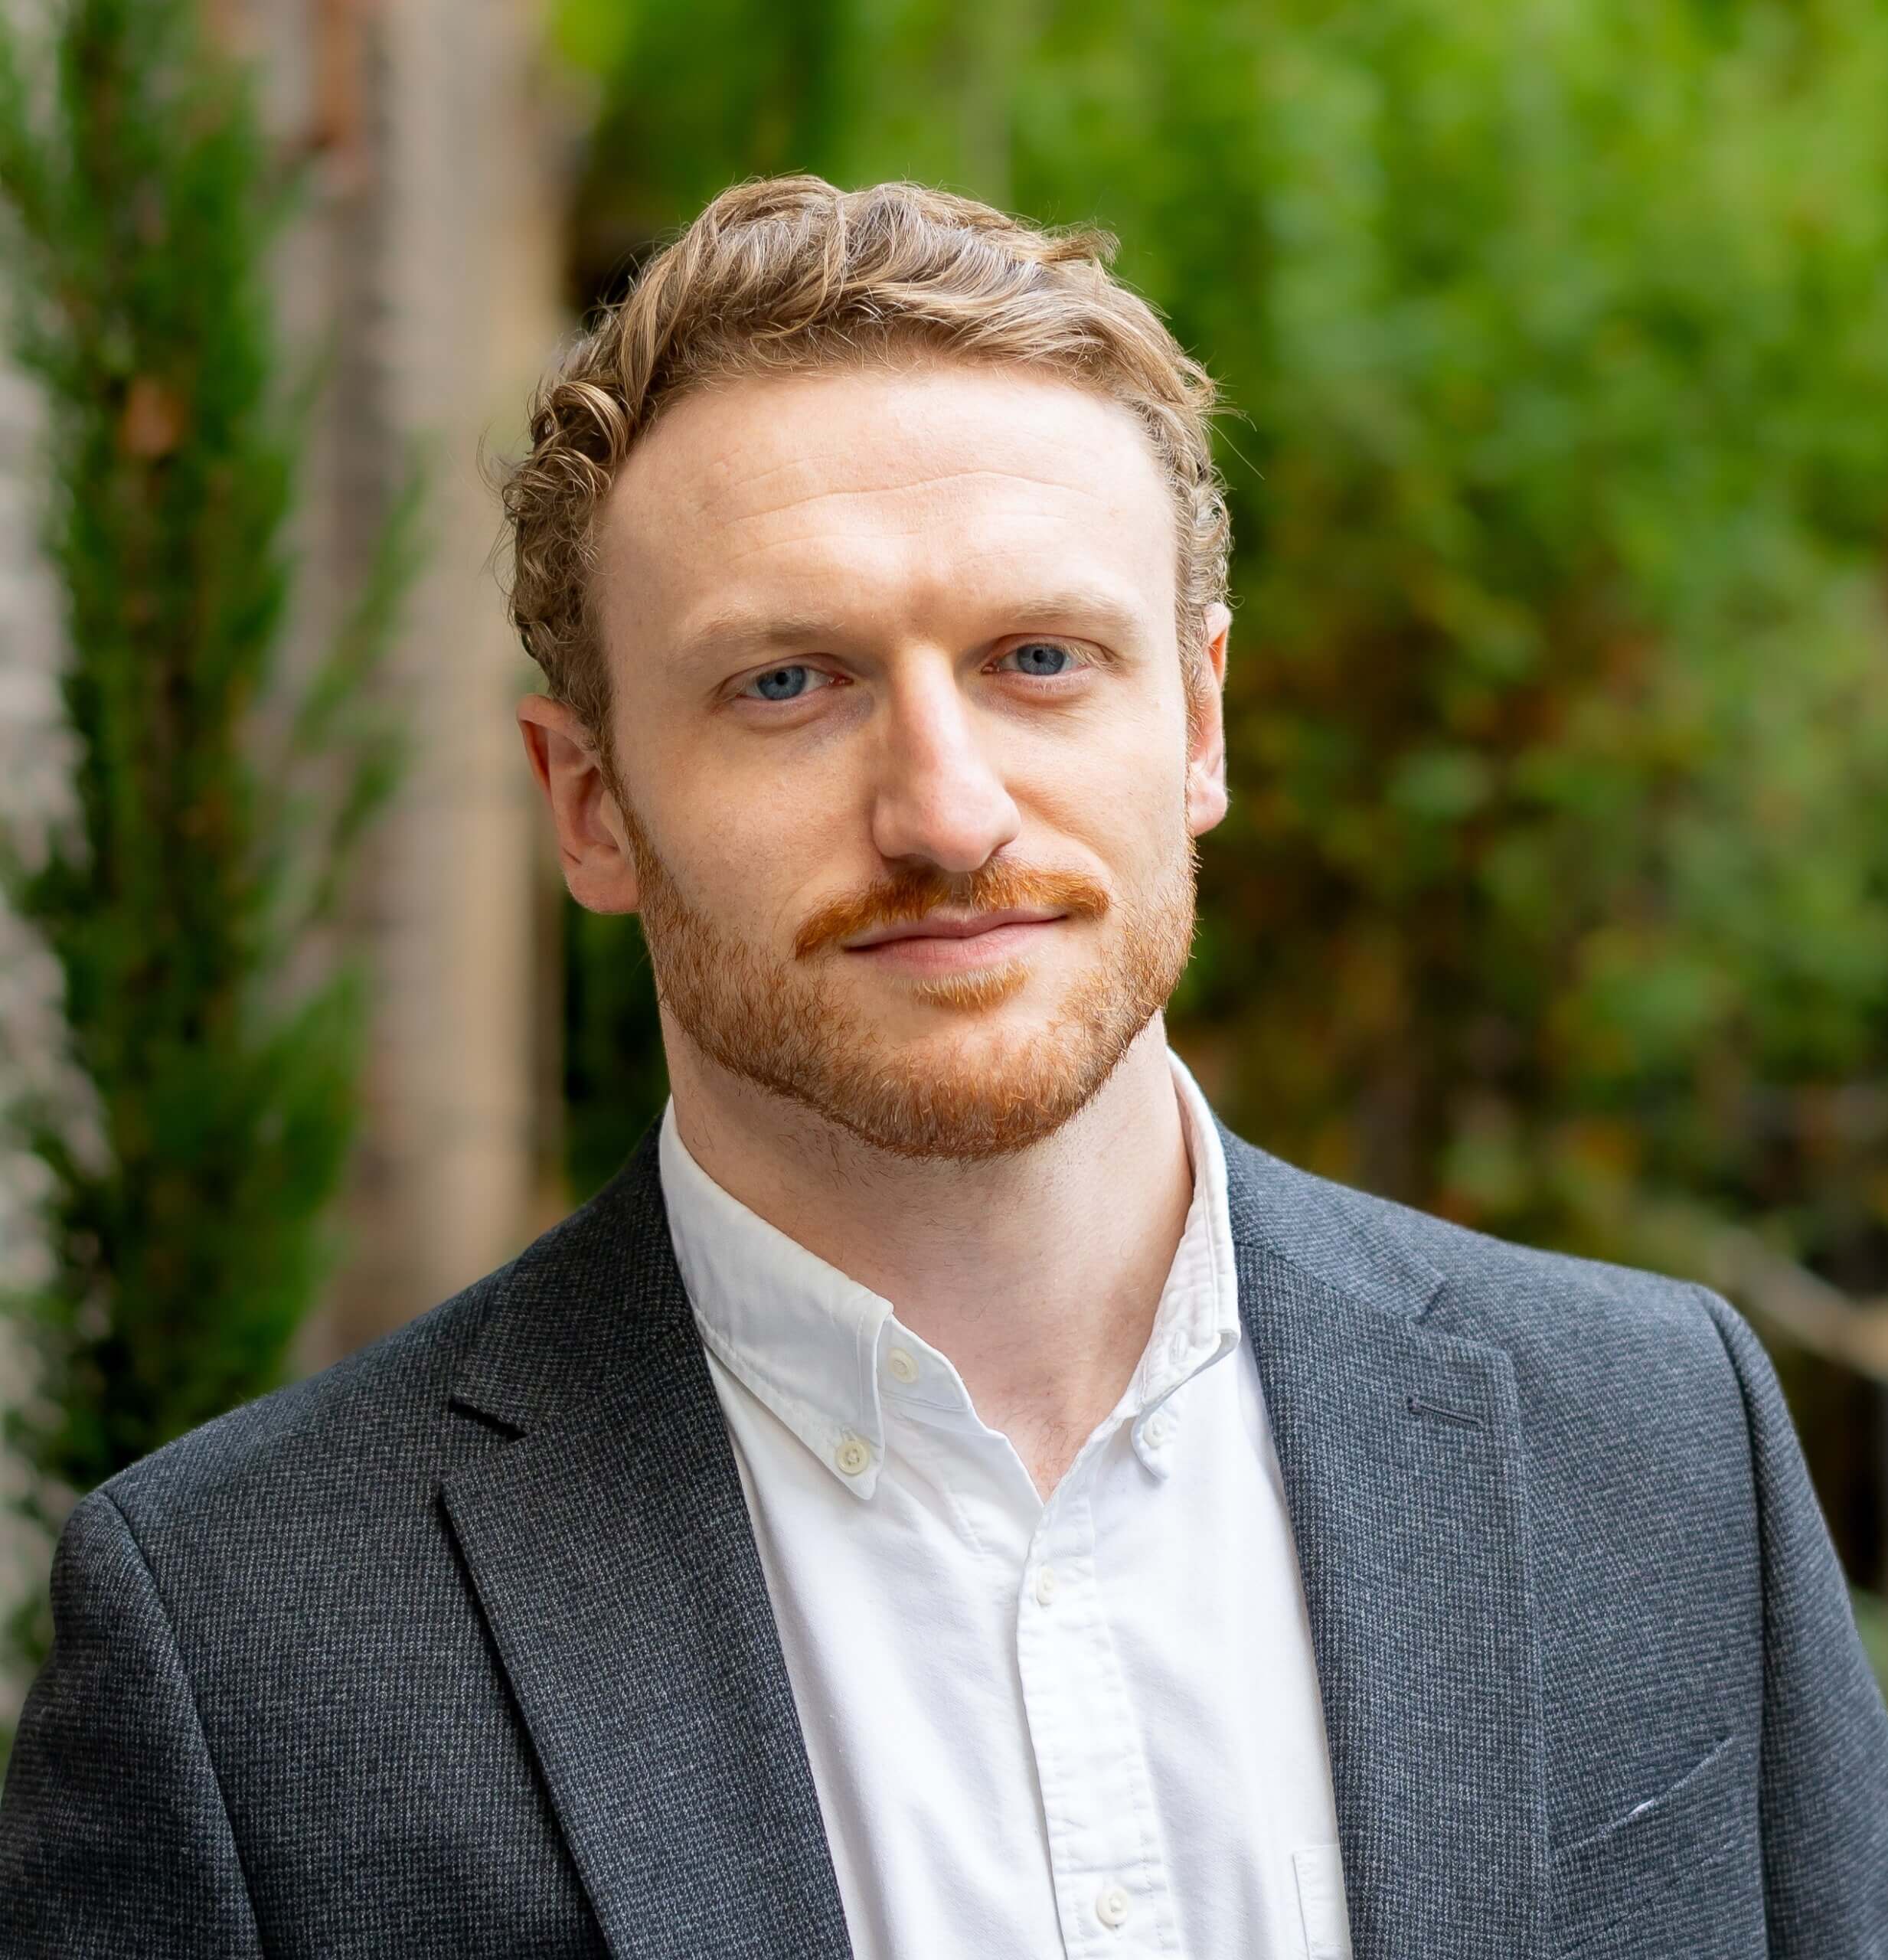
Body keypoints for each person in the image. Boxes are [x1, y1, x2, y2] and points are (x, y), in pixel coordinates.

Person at [2, 174, 1884, 1960]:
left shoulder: (1657, 1442)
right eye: (786, 683)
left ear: (1201, 719)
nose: (946, 810)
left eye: (1040, 657)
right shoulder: (243, 1644)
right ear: (588, 801)